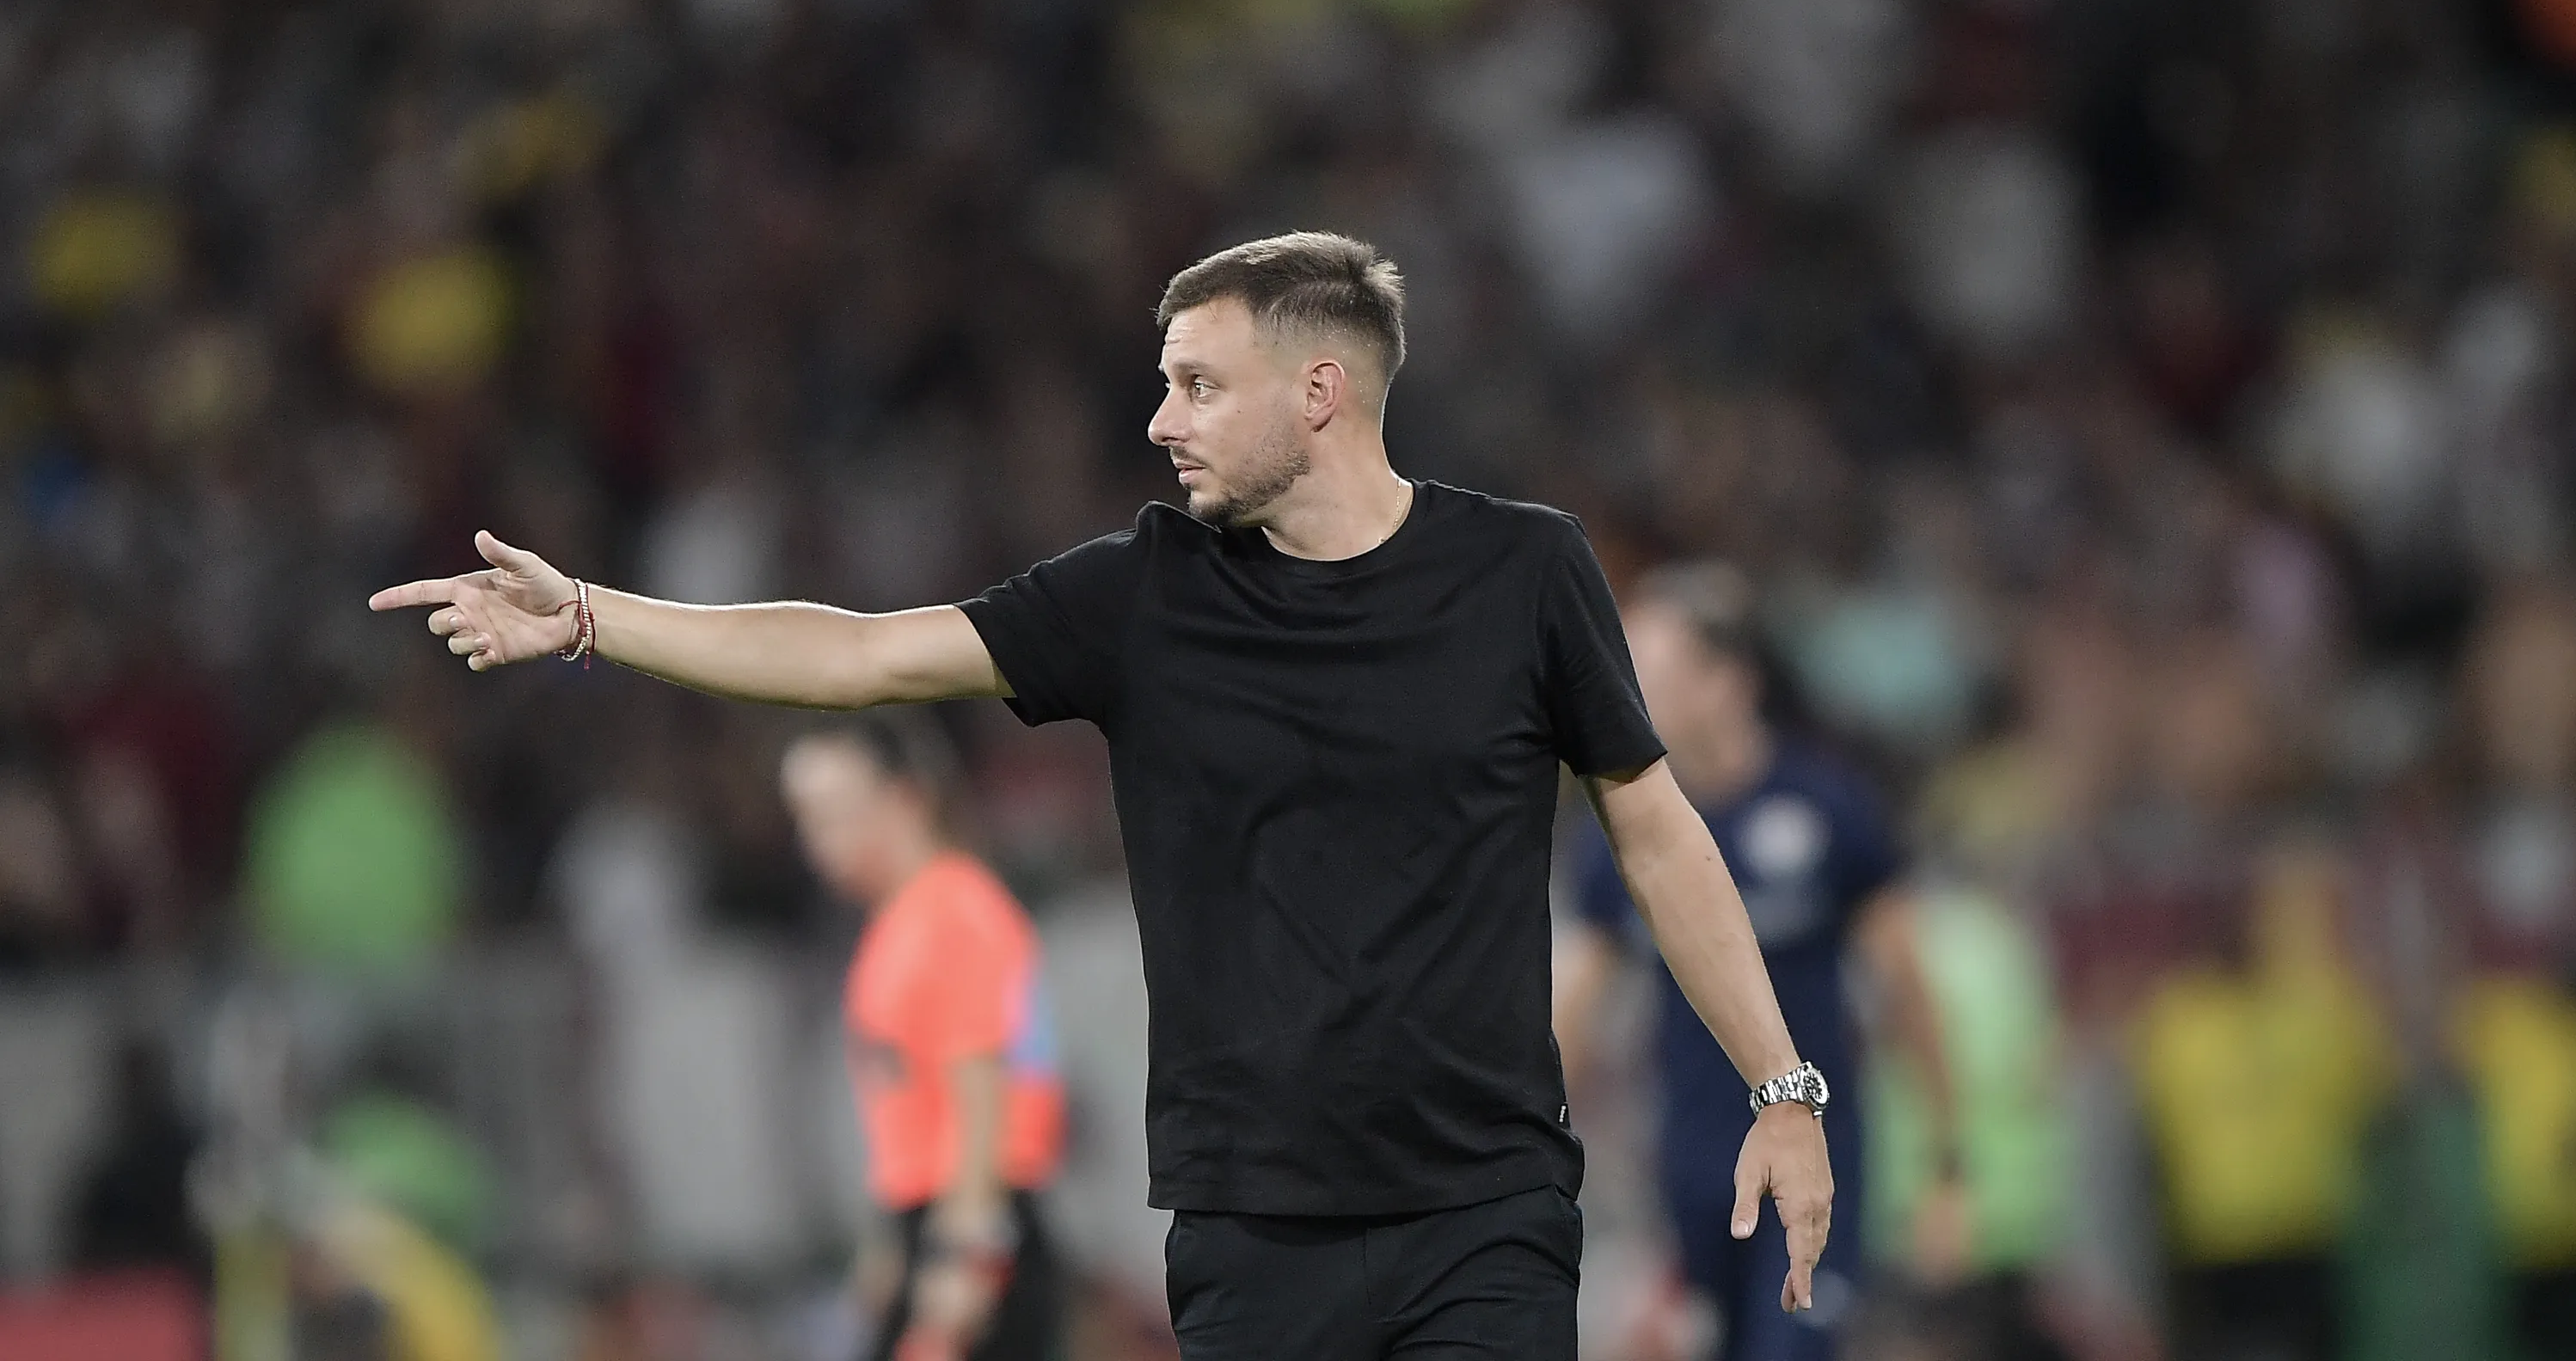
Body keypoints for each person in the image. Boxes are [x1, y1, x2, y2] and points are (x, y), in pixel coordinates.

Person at [371, 230, 1834, 1360]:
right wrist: (590, 620)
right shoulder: (1144, 594)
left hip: (1489, 1214)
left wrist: (1783, 1086)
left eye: (1198, 383)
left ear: (1319, 392)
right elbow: (864, 657)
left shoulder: (1526, 575)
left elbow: (1655, 830)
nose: (1160, 420)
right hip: (1254, 1230)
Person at [1555, 563, 1963, 1361]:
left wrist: (1949, 1164)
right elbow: (1570, 1014)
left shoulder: (1828, 808)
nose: (1628, 693)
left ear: (1730, 682)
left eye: (1655, 674)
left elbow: (1906, 987)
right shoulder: (1621, 843)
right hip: (1690, 1175)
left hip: (1816, 1161)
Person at [778, 714, 1066, 1361]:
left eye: (830, 812)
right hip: (931, 1223)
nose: (814, 840)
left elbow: (983, 1091)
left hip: (973, 1225)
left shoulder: (955, 911)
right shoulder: (900, 922)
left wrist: (966, 1258)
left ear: (905, 797)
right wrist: (890, 1246)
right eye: (804, 817)